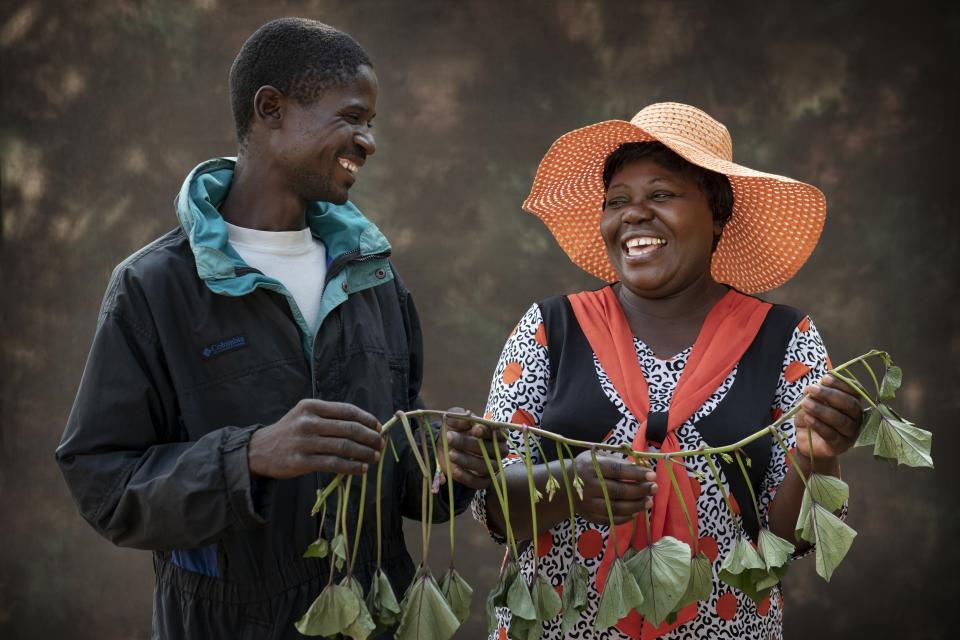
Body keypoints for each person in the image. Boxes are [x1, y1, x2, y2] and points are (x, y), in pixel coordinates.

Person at [55, 18, 491, 640]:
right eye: (352, 117)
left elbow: (404, 468)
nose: (367, 141)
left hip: (374, 622)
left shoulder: (374, 279)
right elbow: (103, 482)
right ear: (271, 109)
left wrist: (445, 467)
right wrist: (250, 456)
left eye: (371, 124)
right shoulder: (154, 287)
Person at [472, 102, 863, 640]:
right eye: (617, 201)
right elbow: (494, 501)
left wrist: (817, 458)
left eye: (661, 194)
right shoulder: (551, 328)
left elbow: (792, 537)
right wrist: (566, 485)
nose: (634, 214)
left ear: (718, 213)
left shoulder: (783, 340)